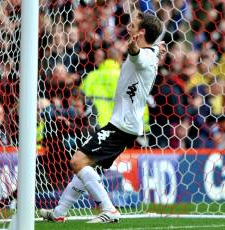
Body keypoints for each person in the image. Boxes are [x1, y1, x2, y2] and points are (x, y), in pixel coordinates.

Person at [39, 12, 165, 224]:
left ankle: (109, 209)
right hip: (122, 124)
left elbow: (137, 56)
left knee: (77, 161)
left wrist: (133, 47)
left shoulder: (146, 55)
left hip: (121, 126)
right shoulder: (152, 52)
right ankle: (60, 211)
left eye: (133, 26)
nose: (129, 28)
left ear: (141, 32)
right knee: (87, 165)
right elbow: (142, 53)